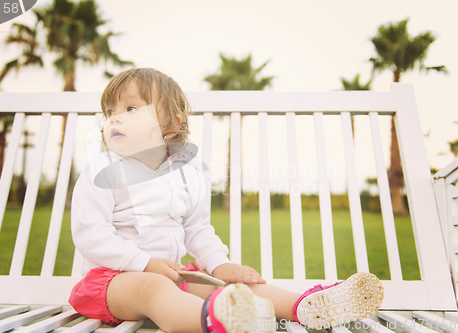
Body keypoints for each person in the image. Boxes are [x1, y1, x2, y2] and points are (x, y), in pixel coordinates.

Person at [69, 67, 384, 333]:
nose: (114, 119)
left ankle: (305, 306)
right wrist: (145, 264)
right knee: (153, 288)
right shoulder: (103, 170)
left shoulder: (184, 173)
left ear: (170, 125)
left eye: (130, 109)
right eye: (109, 112)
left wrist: (219, 264)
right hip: (114, 282)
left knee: (225, 286)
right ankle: (217, 320)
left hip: (175, 275)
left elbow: (197, 229)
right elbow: (91, 234)